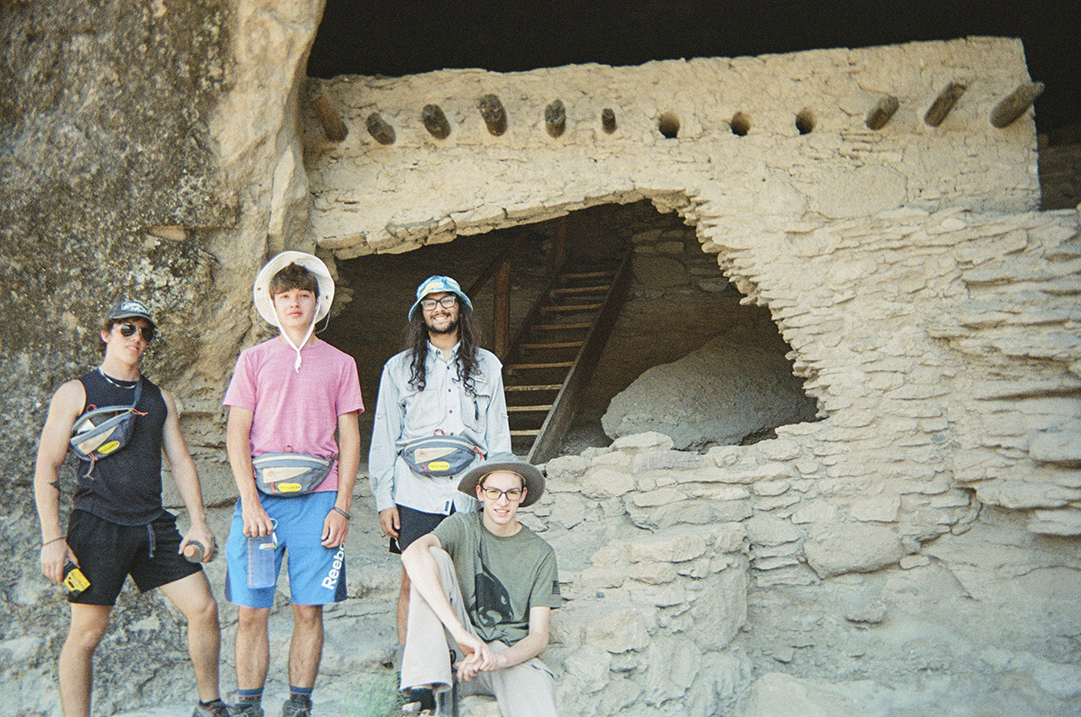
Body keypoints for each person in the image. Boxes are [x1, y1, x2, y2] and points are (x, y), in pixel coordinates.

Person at [33, 300, 230, 717]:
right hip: (96, 525)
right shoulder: (76, 392)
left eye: (144, 332)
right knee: (86, 634)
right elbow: (46, 466)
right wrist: (53, 540)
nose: (136, 338)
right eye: (127, 329)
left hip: (152, 525)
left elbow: (180, 462)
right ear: (106, 333)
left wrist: (199, 523)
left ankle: (209, 707)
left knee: (204, 608)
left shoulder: (160, 398)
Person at [223, 252, 363, 717]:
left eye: (304, 295)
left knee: (309, 609)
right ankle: (248, 705)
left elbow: (349, 435)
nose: (295, 303)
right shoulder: (254, 359)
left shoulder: (341, 362)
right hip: (262, 502)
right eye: (286, 296)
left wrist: (341, 507)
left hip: (318, 498)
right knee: (252, 610)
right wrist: (249, 503)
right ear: (272, 302)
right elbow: (235, 433)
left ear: (318, 302)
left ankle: (299, 704)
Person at [368, 276, 512, 680]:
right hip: (415, 491)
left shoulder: (487, 365)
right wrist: (385, 499)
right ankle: (413, 674)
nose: (440, 309)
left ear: (460, 309)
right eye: (430, 303)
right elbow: (384, 435)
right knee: (413, 581)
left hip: (466, 492)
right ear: (420, 314)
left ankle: (462, 666)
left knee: (465, 579)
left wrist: (499, 493)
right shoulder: (398, 368)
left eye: (448, 301)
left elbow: (498, 432)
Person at [400, 453, 561, 717]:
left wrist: (498, 659)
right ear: (480, 492)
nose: (502, 501)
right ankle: (422, 692)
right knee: (432, 558)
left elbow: (539, 636)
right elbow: (411, 554)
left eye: (511, 493)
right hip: (454, 646)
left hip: (502, 654)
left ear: (522, 495)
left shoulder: (541, 553)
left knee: (536, 688)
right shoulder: (461, 527)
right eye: (494, 491)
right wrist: (462, 635)